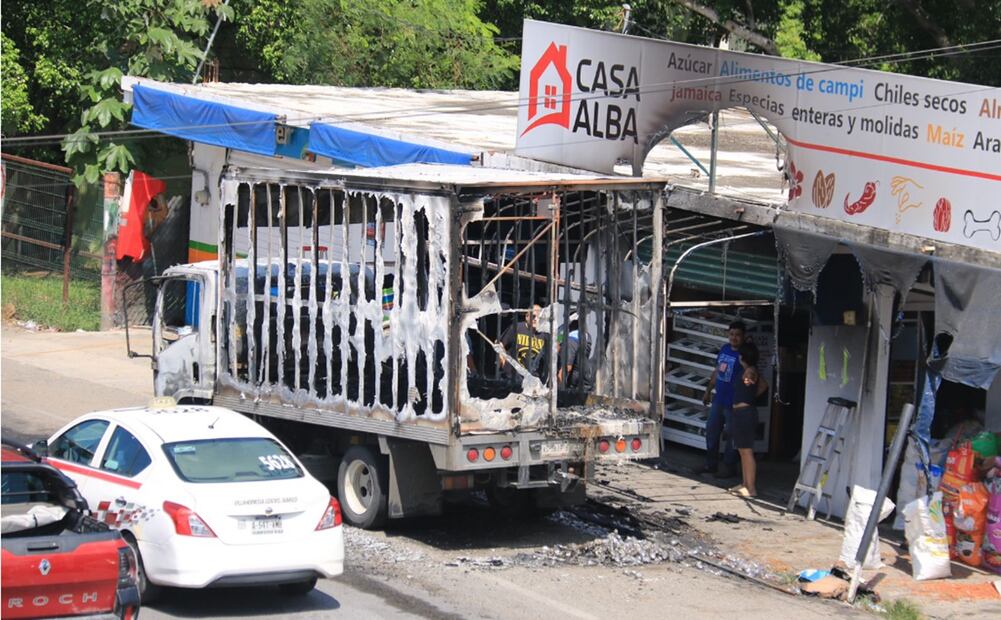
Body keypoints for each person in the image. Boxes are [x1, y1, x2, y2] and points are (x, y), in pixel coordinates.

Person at [701, 320, 745, 477]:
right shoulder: (724, 349)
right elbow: (717, 371)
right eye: (732, 334)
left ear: (743, 337)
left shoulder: (744, 355)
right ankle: (710, 464)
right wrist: (708, 391)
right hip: (719, 399)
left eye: (738, 335)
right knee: (711, 431)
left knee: (732, 436)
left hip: (734, 403)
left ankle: (729, 467)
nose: (734, 338)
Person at [729, 341, 768, 498]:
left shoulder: (749, 371)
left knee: (746, 451)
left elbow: (752, 380)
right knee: (742, 450)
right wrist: (752, 394)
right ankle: (745, 484)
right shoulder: (750, 370)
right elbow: (764, 385)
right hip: (742, 413)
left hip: (745, 413)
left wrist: (749, 383)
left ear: (742, 357)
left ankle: (750, 487)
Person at [499, 305, 544, 378]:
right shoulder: (517, 328)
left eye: (540, 317)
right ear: (527, 317)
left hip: (533, 377)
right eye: (533, 316)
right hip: (512, 375)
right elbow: (499, 344)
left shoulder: (544, 333)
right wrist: (503, 361)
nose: (536, 319)